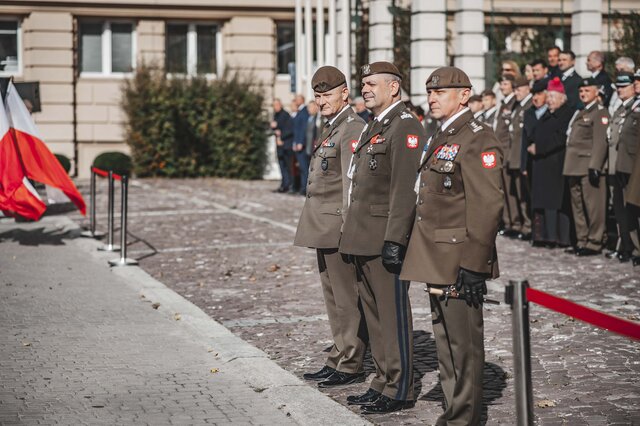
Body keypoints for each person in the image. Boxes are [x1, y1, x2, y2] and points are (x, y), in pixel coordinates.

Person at [401, 66, 503, 426]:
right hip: (435, 254)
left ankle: (465, 418)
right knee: (445, 342)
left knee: (464, 345)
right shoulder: (442, 133)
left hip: (459, 257)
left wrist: (475, 264)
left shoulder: (477, 138)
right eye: (430, 92)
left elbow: (488, 205)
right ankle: (453, 410)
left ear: (463, 95)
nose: (432, 98)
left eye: (441, 92)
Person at [339, 61, 425, 414]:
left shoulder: (405, 126)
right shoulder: (376, 125)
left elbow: (404, 190)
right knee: (373, 316)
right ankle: (382, 380)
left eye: (372, 83)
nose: (366, 88)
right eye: (363, 83)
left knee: (392, 316)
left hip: (383, 238)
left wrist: (396, 239)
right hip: (362, 236)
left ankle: (400, 387)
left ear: (394, 88)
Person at [294, 66, 369, 388]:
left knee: (346, 299)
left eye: (327, 95)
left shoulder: (352, 128)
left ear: (344, 94)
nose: (321, 100)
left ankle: (351, 361)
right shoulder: (333, 126)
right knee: (333, 298)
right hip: (324, 227)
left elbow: (351, 184)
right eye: (318, 95)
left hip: (338, 226)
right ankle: (339, 354)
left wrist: (348, 228)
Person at [562, 77, 610, 256]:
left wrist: (595, 165)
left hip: (588, 165)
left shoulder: (600, 112)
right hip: (573, 165)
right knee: (578, 206)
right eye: (581, 91)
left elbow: (600, 141)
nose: (583, 94)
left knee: (594, 206)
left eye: (587, 90)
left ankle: (595, 241)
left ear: (596, 92)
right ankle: (582, 239)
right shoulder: (580, 112)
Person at [528, 77, 574, 247]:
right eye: (549, 98)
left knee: (555, 202)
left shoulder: (566, 114)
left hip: (556, 163)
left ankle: (558, 237)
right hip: (542, 164)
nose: (549, 101)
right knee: (542, 201)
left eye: (553, 98)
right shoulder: (547, 114)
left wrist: (539, 148)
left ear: (562, 98)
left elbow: (559, 138)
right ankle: (544, 236)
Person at [613, 71, 640, 262]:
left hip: (634, 165)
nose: (636, 84)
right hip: (624, 164)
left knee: (635, 209)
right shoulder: (630, 107)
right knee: (625, 209)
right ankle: (630, 247)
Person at [507, 76, 533, 240]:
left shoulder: (529, 105)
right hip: (513, 156)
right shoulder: (517, 106)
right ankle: (521, 224)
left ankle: (528, 225)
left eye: (519, 89)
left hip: (522, 157)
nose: (516, 92)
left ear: (527, 88)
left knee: (525, 194)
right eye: (515, 89)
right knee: (517, 194)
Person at [495, 75, 517, 235]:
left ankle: (515, 224)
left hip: (509, 152)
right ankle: (509, 222)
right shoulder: (503, 104)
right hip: (501, 152)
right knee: (503, 190)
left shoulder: (513, 103)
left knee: (512, 192)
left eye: (505, 83)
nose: (502, 87)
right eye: (501, 83)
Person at [521, 79, 549, 205]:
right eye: (534, 95)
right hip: (531, 162)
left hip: (547, 161)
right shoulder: (529, 113)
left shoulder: (551, 113)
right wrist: (524, 165)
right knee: (533, 198)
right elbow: (525, 140)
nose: (536, 98)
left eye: (539, 94)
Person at [270, 98, 294, 193]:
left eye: (277, 105)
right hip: (279, 145)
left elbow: (289, 130)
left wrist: (281, 136)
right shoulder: (276, 115)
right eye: (274, 105)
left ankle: (289, 185)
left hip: (286, 144)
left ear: (280, 105)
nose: (275, 107)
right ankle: (284, 185)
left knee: (288, 166)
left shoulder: (285, 115)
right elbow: (275, 128)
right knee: (282, 166)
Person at [292, 94, 310, 195]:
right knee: (301, 168)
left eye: (297, 99)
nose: (295, 101)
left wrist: (300, 142)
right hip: (297, 143)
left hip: (301, 145)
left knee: (304, 168)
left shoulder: (304, 112)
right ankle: (302, 187)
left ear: (302, 100)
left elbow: (303, 128)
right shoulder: (300, 111)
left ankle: (304, 189)